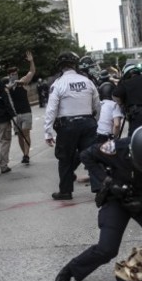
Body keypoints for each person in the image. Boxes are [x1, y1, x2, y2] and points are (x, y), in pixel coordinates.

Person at [52, 124, 142, 281]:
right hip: (118, 199)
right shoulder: (117, 148)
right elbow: (86, 155)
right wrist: (108, 182)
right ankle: (68, 272)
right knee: (106, 249)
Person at [44, 51, 100, 200]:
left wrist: (47, 131)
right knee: (92, 156)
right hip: (88, 123)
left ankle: (65, 191)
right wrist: (96, 121)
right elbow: (97, 104)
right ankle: (99, 188)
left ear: (60, 67)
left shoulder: (58, 84)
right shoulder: (87, 81)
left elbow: (51, 109)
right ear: (75, 65)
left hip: (67, 126)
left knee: (65, 159)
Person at [7, 51, 36, 164]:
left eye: (15, 73)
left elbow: (32, 72)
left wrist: (31, 61)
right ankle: (24, 153)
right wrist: (12, 85)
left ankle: (27, 154)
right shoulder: (7, 85)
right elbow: (5, 88)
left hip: (26, 112)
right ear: (9, 75)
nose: (14, 75)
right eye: (11, 74)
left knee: (25, 132)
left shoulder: (23, 81)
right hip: (16, 114)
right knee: (19, 135)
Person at [96, 71, 122, 143]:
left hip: (96, 136)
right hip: (107, 137)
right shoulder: (114, 105)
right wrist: (114, 137)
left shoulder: (98, 104)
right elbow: (117, 125)